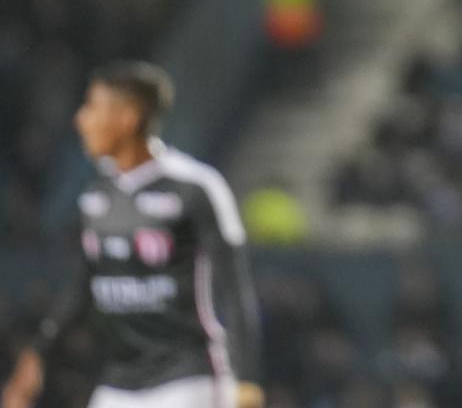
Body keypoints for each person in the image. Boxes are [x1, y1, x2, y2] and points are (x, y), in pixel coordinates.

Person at [2, 61, 265, 408]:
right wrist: (37, 354)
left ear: (127, 118)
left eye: (92, 107)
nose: (81, 120)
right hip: (119, 384)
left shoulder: (196, 187)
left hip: (188, 378)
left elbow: (236, 293)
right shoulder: (96, 195)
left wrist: (246, 379)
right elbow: (84, 287)